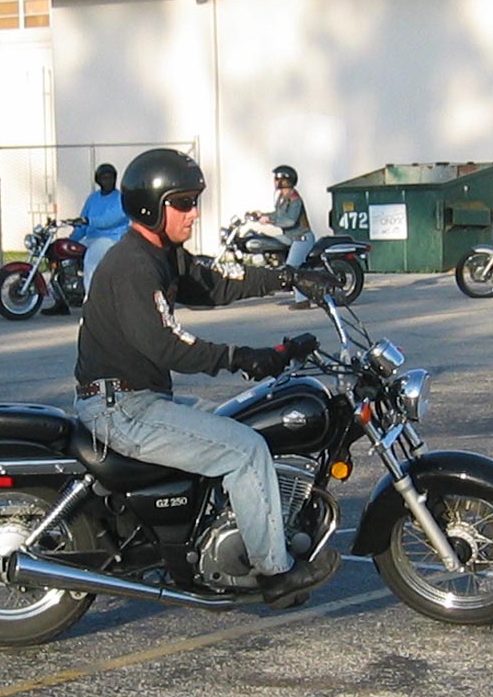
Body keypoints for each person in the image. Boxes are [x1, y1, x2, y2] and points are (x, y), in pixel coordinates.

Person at [73, 148, 340, 609]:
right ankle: (276, 574)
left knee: (237, 423)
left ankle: (225, 538)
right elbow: (167, 344)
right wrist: (241, 357)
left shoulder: (160, 255)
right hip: (121, 409)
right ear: (152, 208)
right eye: (183, 203)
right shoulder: (134, 265)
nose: (194, 213)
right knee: (245, 450)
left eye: (194, 201)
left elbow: (217, 281)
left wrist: (290, 277)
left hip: (136, 400)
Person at [46, 163, 129, 315]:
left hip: (111, 238)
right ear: (98, 180)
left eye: (110, 177)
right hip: (91, 237)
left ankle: (92, 304)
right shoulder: (93, 198)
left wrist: (88, 221)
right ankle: (61, 301)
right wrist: (72, 239)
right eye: (104, 178)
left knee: (90, 259)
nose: (108, 181)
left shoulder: (121, 199)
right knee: (62, 255)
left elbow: (108, 220)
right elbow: (82, 224)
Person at [242, 164, 316, 310]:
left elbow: (290, 220)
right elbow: (278, 214)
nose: (275, 181)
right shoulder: (282, 197)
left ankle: (303, 300)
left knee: (291, 267)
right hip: (289, 237)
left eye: (277, 179)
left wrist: (270, 220)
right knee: (267, 242)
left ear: (286, 181)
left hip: (301, 238)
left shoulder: (294, 199)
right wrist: (261, 215)